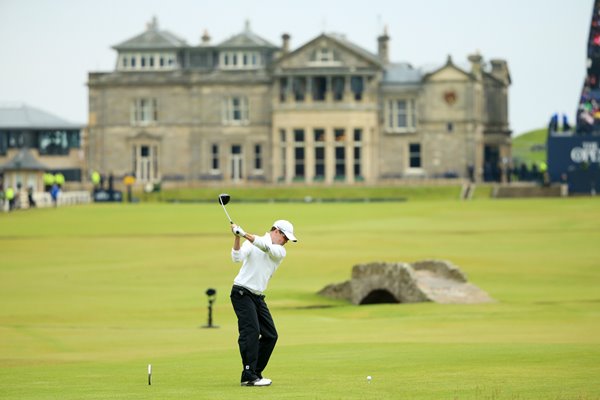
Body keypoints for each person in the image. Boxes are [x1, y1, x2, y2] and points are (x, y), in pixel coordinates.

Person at [229, 219, 298, 387]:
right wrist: (237, 237)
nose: (286, 242)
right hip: (241, 292)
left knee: (271, 335)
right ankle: (248, 375)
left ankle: (255, 372)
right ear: (276, 231)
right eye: (285, 237)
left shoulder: (279, 251)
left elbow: (265, 247)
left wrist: (244, 234)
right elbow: (236, 257)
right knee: (251, 332)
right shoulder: (252, 242)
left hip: (257, 296)